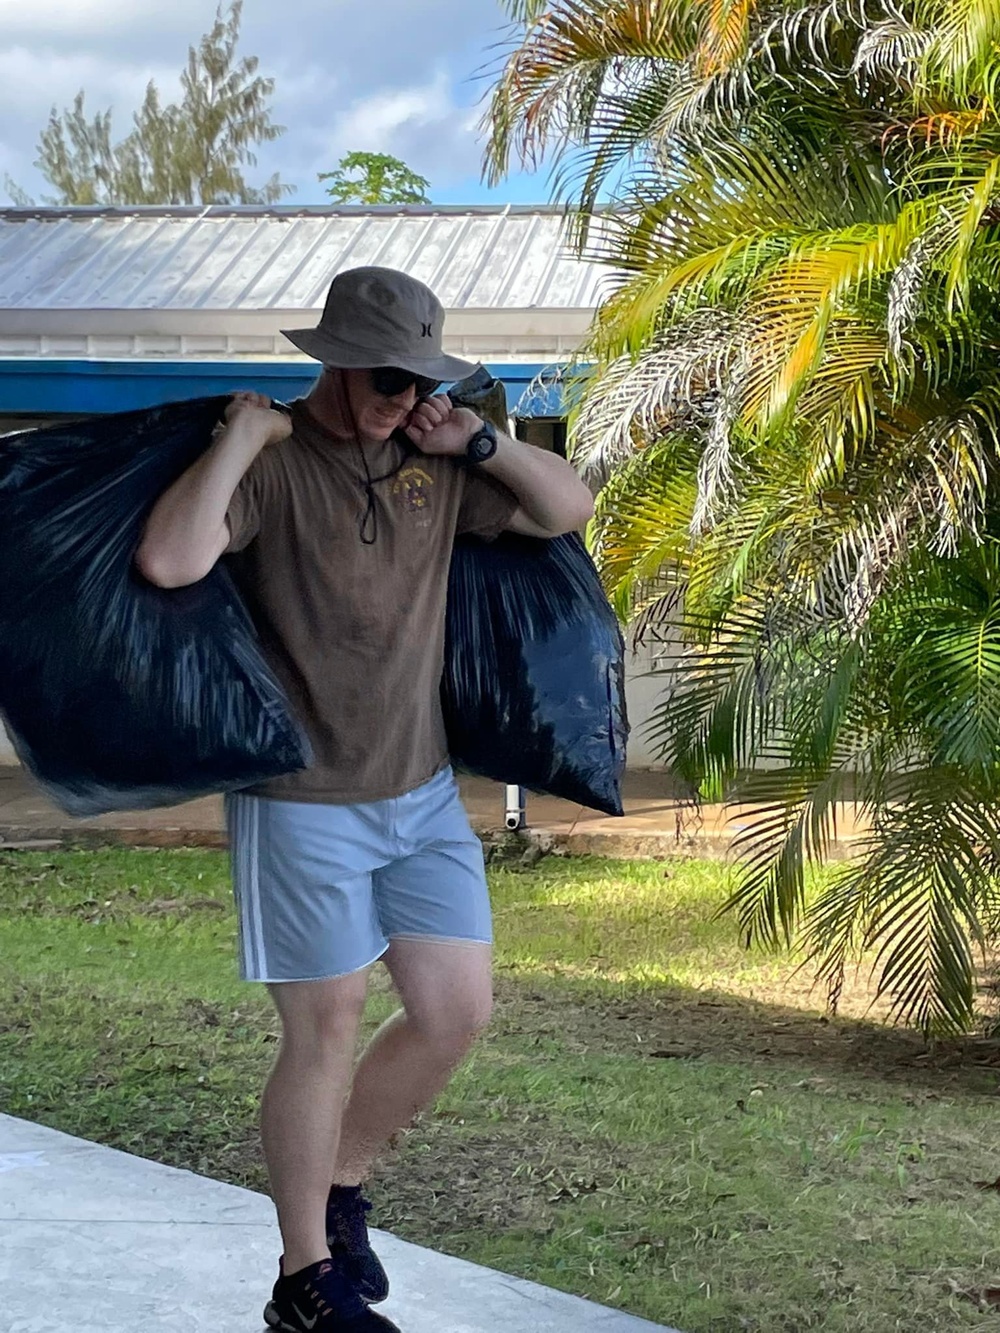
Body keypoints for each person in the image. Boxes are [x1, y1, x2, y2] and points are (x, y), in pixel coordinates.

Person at [135, 266, 594, 1333]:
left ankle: (339, 1191)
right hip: (301, 796)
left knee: (453, 1011)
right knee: (325, 1027)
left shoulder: (429, 463)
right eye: (386, 376)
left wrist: (474, 440)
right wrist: (242, 441)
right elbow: (169, 559)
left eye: (419, 378)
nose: (399, 394)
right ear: (335, 361)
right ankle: (303, 1284)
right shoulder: (273, 465)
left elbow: (565, 508)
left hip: (421, 789)